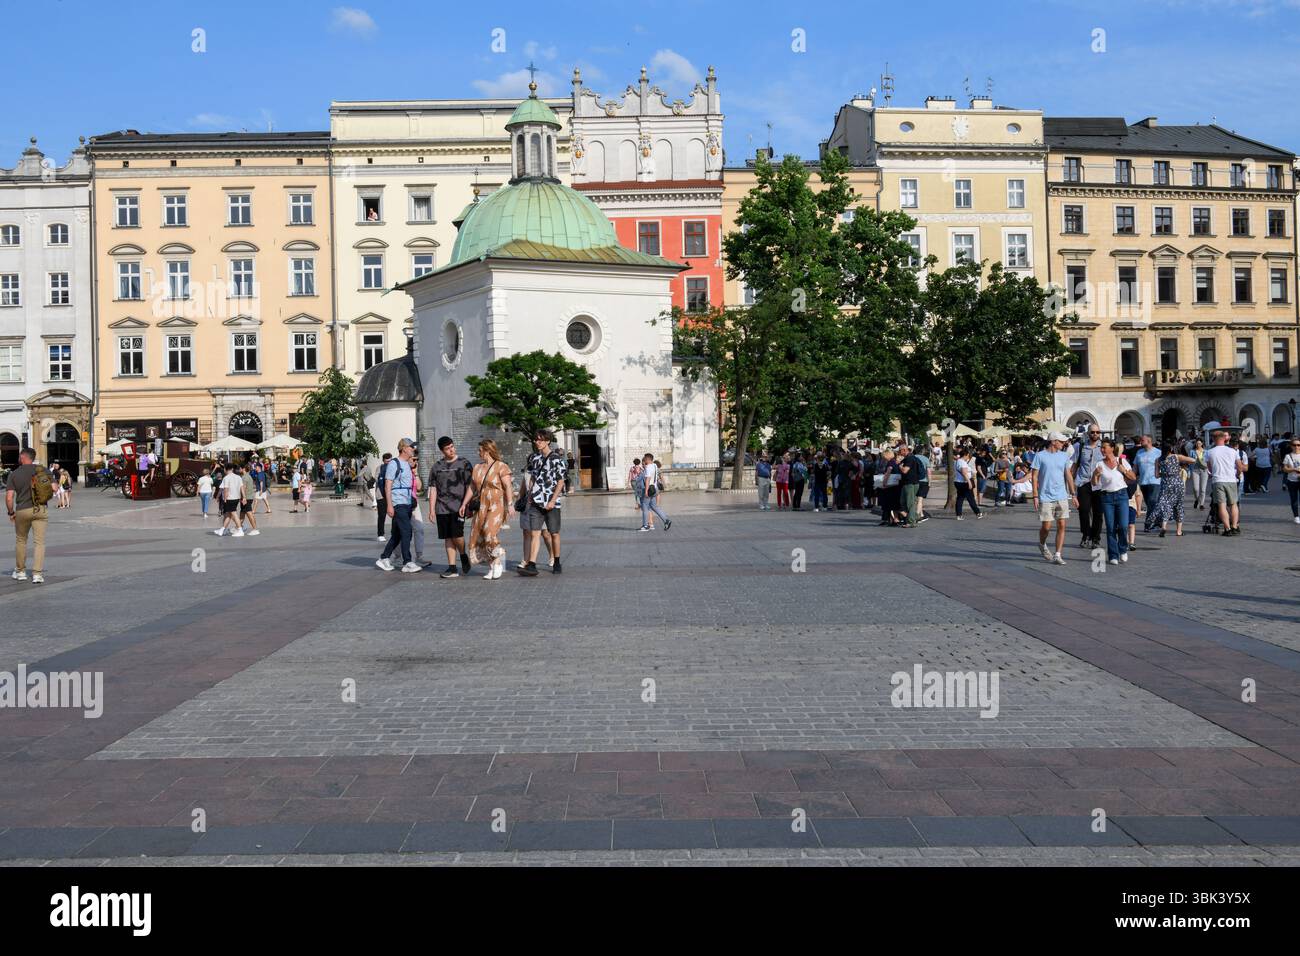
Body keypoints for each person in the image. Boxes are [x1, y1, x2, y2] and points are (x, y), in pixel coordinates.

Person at [518, 429, 566, 575]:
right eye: (536, 439)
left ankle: (557, 561)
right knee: (535, 533)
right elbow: (532, 477)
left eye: (540, 440)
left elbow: (560, 482)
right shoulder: (534, 458)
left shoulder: (557, 459)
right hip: (536, 502)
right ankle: (531, 564)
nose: (536, 442)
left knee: (554, 533)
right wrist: (530, 494)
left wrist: (552, 500)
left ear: (547, 441)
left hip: (552, 503)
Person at [428, 436, 475, 578]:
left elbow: (470, 486)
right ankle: (452, 568)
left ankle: (463, 554)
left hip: (459, 507)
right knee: (448, 537)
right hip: (442, 508)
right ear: (442, 451)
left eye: (452, 446)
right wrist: (431, 510)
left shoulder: (464, 463)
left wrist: (468, 505)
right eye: (447, 448)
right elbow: (433, 489)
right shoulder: (436, 467)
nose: (451, 450)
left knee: (457, 536)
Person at [1031, 431, 1078, 565]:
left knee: (1062, 524)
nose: (1064, 444)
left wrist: (1073, 494)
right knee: (1046, 527)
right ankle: (1042, 544)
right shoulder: (1040, 456)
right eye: (1061, 441)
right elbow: (1034, 476)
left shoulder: (1063, 456)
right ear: (1053, 441)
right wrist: (1035, 495)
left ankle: (1058, 554)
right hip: (1045, 496)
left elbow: (1068, 475)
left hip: (1061, 495)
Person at [6, 447, 51, 583]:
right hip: (41, 509)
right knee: (39, 542)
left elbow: (9, 497)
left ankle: (20, 572)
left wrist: (11, 512)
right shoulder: (42, 470)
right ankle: (37, 574)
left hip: (22, 510)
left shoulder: (14, 474)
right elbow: (54, 488)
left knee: (21, 540)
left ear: (22, 457)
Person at [468, 438, 512, 579]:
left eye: (480, 450)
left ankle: (498, 561)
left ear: (487, 451)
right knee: (480, 536)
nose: (478, 452)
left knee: (489, 532)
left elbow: (508, 487)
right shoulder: (477, 468)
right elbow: (472, 488)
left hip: (496, 504)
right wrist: (464, 504)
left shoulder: (501, 466)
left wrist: (510, 504)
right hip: (481, 505)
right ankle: (492, 567)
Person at [376, 439, 420, 572]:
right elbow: (388, 484)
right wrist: (389, 505)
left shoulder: (407, 464)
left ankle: (384, 558)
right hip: (398, 502)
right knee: (407, 530)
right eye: (411, 447)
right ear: (404, 448)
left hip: (406, 502)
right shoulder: (394, 464)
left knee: (398, 534)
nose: (413, 449)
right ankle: (407, 561)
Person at [1092, 439, 1136, 565]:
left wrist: (1124, 470)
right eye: (1101, 447)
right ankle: (1113, 555)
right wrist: (1095, 475)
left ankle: (1122, 549)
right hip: (1106, 497)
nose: (1102, 450)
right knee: (1110, 527)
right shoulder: (1099, 464)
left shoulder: (1121, 461)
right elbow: (1094, 484)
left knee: (1123, 525)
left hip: (1122, 495)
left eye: (1104, 447)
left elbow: (1133, 478)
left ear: (1112, 448)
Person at [1151, 439, 1196, 538]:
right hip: (1177, 484)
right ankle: (1179, 531)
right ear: (1171, 448)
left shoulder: (1158, 460)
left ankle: (1164, 526)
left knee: (1166, 505)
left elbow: (1156, 475)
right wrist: (1182, 466)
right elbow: (1193, 460)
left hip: (1165, 484)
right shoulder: (1176, 457)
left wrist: (1166, 473)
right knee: (1178, 506)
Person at [1206, 429, 1246, 536]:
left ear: (1213, 439)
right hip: (1231, 480)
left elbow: (1209, 469)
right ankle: (1234, 526)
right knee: (1233, 504)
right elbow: (1240, 467)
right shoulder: (1233, 451)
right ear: (1225, 438)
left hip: (1218, 480)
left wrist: (1212, 474)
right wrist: (1237, 474)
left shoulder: (1210, 452)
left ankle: (1227, 529)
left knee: (1221, 505)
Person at [1134, 435, 1163, 531]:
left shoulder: (1158, 452)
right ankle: (1158, 522)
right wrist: (1132, 477)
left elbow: (1163, 466)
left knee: (1152, 502)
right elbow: (1135, 467)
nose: (1140, 441)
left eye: (1142, 440)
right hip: (1143, 482)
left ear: (1149, 441)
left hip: (1155, 481)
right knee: (1150, 504)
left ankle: (1148, 524)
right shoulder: (1139, 452)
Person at [637, 452, 671, 533]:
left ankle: (645, 526)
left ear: (648, 459)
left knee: (645, 507)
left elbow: (648, 479)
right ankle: (666, 520)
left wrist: (646, 491)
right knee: (654, 506)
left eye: (644, 458)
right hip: (655, 489)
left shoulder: (648, 467)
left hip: (649, 489)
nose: (644, 460)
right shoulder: (654, 465)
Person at [213, 464, 246, 537]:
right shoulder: (238, 477)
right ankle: (222, 530)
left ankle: (240, 530)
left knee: (233, 513)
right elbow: (242, 487)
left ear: (225, 469)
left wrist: (225, 498)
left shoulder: (226, 478)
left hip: (229, 498)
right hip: (237, 497)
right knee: (228, 514)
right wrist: (244, 497)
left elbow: (226, 489)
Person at [897, 443, 922, 528]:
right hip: (907, 483)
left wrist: (900, 466)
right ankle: (914, 517)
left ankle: (911, 521)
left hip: (911, 483)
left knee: (909, 503)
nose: (899, 452)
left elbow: (905, 471)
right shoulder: (907, 458)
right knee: (903, 502)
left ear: (904, 450)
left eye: (900, 450)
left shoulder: (910, 458)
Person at [953, 449, 983, 520]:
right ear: (965, 455)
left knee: (960, 498)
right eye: (968, 455)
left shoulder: (957, 461)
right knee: (970, 498)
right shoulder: (962, 462)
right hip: (964, 483)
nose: (968, 457)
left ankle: (959, 515)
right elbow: (964, 472)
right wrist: (969, 482)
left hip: (958, 482)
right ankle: (978, 513)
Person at [238, 465, 260, 536]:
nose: (239, 470)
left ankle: (255, 529)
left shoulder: (244, 477)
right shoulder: (249, 476)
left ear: (243, 469)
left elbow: (243, 488)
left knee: (249, 513)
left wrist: (242, 497)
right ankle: (238, 527)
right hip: (249, 497)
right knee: (242, 513)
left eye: (240, 468)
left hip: (246, 498)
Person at [375, 452, 392, 540]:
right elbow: (377, 480)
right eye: (386, 462)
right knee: (382, 515)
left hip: (392, 495)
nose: (388, 463)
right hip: (381, 495)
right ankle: (380, 534)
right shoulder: (379, 468)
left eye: (389, 461)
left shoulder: (394, 467)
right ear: (383, 461)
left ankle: (395, 532)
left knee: (396, 515)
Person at [1282, 438, 1300, 524]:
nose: (1296, 447)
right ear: (1291, 446)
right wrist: (1293, 469)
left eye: (1298, 445)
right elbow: (1285, 469)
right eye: (1294, 445)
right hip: (1292, 480)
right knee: (1294, 499)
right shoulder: (1288, 456)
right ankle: (1296, 516)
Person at [1188, 439, 1209, 510]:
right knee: (1196, 488)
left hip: (1204, 470)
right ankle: (1197, 499)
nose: (1198, 445)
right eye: (1197, 444)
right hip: (1195, 470)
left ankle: (1202, 504)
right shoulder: (1192, 451)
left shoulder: (1206, 451)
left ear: (1202, 444)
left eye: (1199, 443)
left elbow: (1208, 461)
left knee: (1203, 489)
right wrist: (1189, 471)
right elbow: (1189, 461)